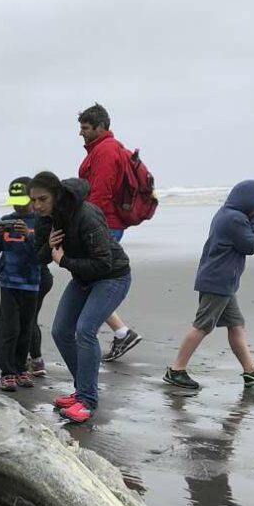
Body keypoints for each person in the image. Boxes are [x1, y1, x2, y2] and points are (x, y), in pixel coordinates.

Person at [29, 171, 131, 424]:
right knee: (61, 331)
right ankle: (82, 390)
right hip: (83, 279)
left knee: (85, 330)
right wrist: (48, 245)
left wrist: (64, 261)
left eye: (42, 199)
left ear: (56, 196)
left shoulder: (86, 214)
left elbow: (104, 264)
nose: (37, 205)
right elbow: (39, 257)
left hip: (113, 277)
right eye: (33, 200)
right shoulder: (45, 219)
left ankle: (87, 401)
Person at [163, 180, 254, 391]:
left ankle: (251, 371)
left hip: (221, 280)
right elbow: (250, 246)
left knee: (236, 324)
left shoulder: (228, 213)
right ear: (249, 202)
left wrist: (252, 219)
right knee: (202, 326)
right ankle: (176, 370)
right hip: (218, 281)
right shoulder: (235, 219)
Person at [76, 102, 143, 362]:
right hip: (107, 222)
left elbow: (99, 195)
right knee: (92, 282)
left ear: (101, 127)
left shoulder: (105, 151)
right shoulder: (104, 149)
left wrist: (86, 225)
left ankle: (121, 332)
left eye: (85, 128)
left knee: (94, 282)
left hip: (104, 224)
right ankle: (121, 332)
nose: (81, 133)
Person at [0, 177, 41, 390]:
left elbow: (41, 254)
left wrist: (27, 235)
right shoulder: (5, 219)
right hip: (8, 283)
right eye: (15, 201)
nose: (18, 205)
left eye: (23, 200)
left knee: (26, 329)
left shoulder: (40, 222)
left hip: (31, 282)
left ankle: (21, 368)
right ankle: (7, 372)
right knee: (9, 329)